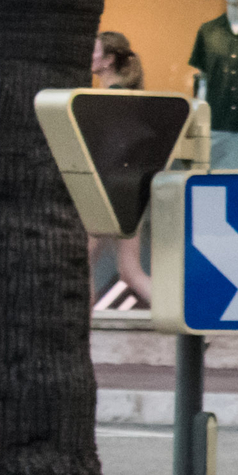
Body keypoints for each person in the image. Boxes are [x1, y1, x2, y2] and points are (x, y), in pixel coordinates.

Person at [89, 31, 152, 304]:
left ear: (108, 60)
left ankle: (80, 334)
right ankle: (186, 328)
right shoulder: (129, 98)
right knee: (130, 270)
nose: (89, 55)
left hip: (107, 189)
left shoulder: (106, 101)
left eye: (94, 51)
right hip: (131, 190)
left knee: (81, 264)